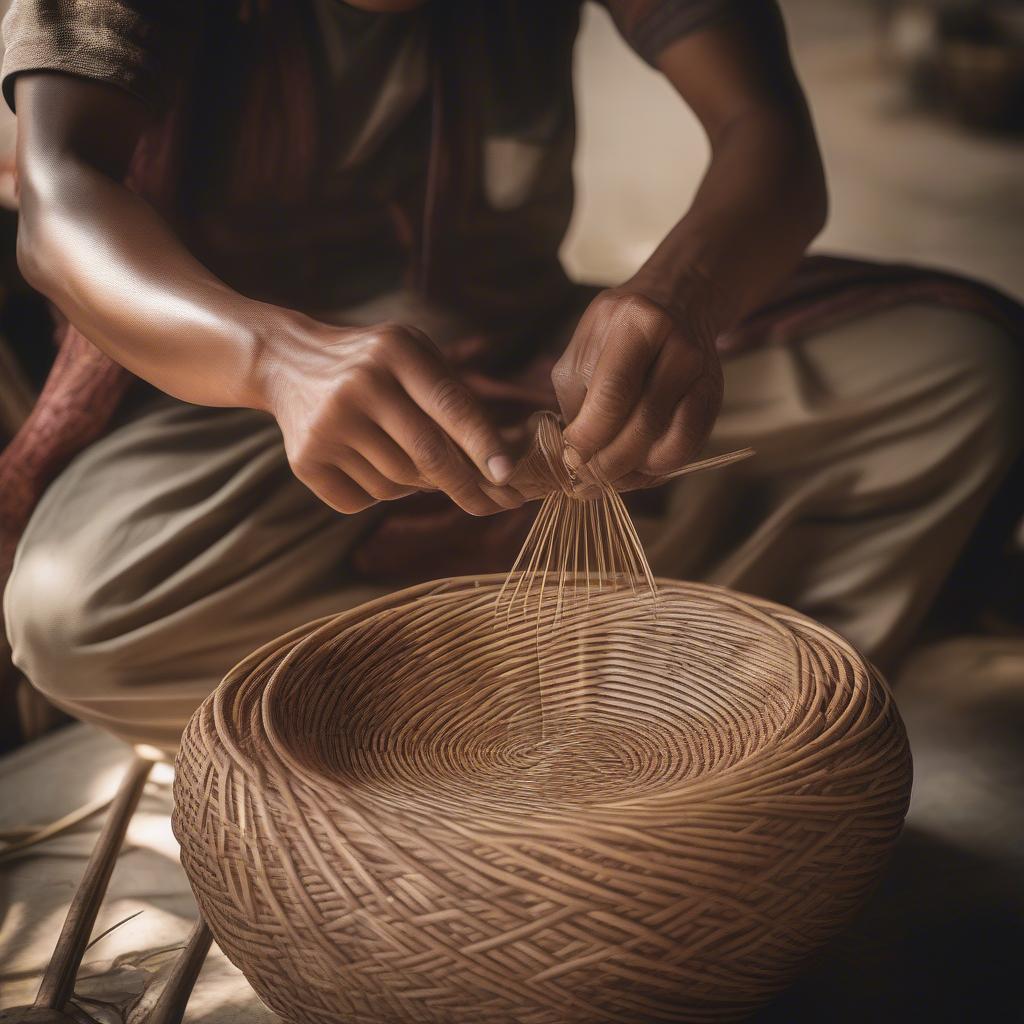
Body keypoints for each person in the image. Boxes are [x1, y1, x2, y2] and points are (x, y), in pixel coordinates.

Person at [1, 0, 1020, 754]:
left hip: (537, 366)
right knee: (78, 613)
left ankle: (580, 652)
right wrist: (270, 357)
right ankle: (645, 652)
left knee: (958, 379)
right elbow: (59, 195)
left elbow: (766, 131)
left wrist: (679, 296)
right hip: (250, 420)